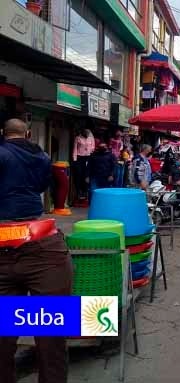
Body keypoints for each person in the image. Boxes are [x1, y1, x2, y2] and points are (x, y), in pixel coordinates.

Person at [0, 119, 72, 383]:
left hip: (16, 247)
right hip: (43, 247)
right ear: (28, 133)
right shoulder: (41, 156)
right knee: (50, 338)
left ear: (3, 134)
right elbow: (53, 184)